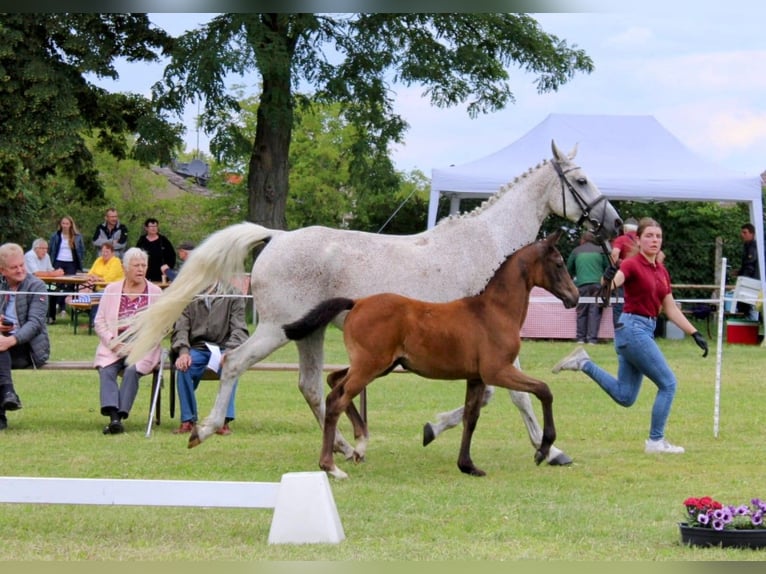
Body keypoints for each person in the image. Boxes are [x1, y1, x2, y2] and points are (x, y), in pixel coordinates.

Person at [551, 217, 709, 455]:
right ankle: (656, 442)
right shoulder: (632, 264)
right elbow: (611, 286)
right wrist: (608, 277)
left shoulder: (661, 271)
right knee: (668, 384)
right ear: (639, 239)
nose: (654, 240)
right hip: (634, 329)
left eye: (658, 236)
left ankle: (583, 363)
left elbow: (670, 307)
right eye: (649, 236)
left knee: (625, 396)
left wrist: (694, 332)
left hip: (637, 331)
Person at [94, 248, 162, 435]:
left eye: (143, 265)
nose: (141, 269)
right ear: (125, 268)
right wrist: (113, 342)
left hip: (143, 347)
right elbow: (99, 322)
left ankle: (119, 416)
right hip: (114, 344)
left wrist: (139, 345)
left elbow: (161, 328)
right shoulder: (112, 289)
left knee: (132, 371)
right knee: (106, 370)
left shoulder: (155, 292)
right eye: (136, 265)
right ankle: (114, 418)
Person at [170, 281, 249, 435]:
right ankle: (188, 419)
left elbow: (239, 329)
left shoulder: (234, 294)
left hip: (223, 348)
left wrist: (230, 351)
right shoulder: (188, 293)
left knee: (231, 367)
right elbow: (181, 328)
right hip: (197, 348)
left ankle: (222, 421)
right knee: (184, 367)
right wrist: (183, 352)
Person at [0, 243, 50, 430]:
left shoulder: (37, 286)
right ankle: (7, 394)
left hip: (29, 348)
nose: (20, 270)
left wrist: (10, 340)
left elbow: (35, 323)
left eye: (22, 265)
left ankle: (4, 404)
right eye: (14, 267)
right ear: (2, 270)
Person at [567, 230, 609, 344]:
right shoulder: (601, 251)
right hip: (597, 284)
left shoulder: (576, 251)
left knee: (581, 311)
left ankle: (580, 338)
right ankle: (592, 339)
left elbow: (568, 269)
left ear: (582, 240)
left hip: (581, 284)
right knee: (594, 311)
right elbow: (608, 267)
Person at [48, 215, 86, 318]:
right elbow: (51, 249)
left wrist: (80, 262)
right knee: (55, 286)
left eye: (67, 224)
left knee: (69, 286)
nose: (65, 225)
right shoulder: (55, 236)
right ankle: (53, 312)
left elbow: (81, 250)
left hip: (71, 263)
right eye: (63, 223)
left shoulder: (77, 236)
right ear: (60, 224)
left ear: (71, 225)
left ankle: (63, 306)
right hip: (58, 262)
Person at [80, 241, 125, 326]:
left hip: (114, 290)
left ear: (112, 253)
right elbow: (90, 274)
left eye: (107, 252)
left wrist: (97, 278)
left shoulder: (116, 261)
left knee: (98, 296)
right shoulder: (98, 260)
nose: (104, 254)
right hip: (99, 289)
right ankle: (94, 322)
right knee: (97, 296)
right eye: (103, 251)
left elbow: (108, 279)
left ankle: (94, 320)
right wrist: (95, 277)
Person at [609, 217, 639, 327]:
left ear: (625, 229)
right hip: (640, 277)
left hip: (624, 276)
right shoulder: (642, 241)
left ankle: (620, 331)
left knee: (619, 304)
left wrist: (614, 267)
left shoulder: (621, 239)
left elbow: (614, 253)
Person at [135, 218, 176, 282]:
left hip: (161, 274)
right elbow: (136, 255)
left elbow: (172, 255)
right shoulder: (142, 241)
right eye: (151, 226)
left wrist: (168, 266)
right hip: (146, 273)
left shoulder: (163, 240)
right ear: (146, 228)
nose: (154, 228)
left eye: (155, 226)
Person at [736, 223, 759, 317]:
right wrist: (740, 272)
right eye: (742, 232)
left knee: (752, 306)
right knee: (748, 307)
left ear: (752, 234)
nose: (742, 235)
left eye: (745, 232)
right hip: (749, 279)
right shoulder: (747, 245)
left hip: (752, 281)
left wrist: (743, 278)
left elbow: (750, 264)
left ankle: (753, 327)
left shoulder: (753, 246)